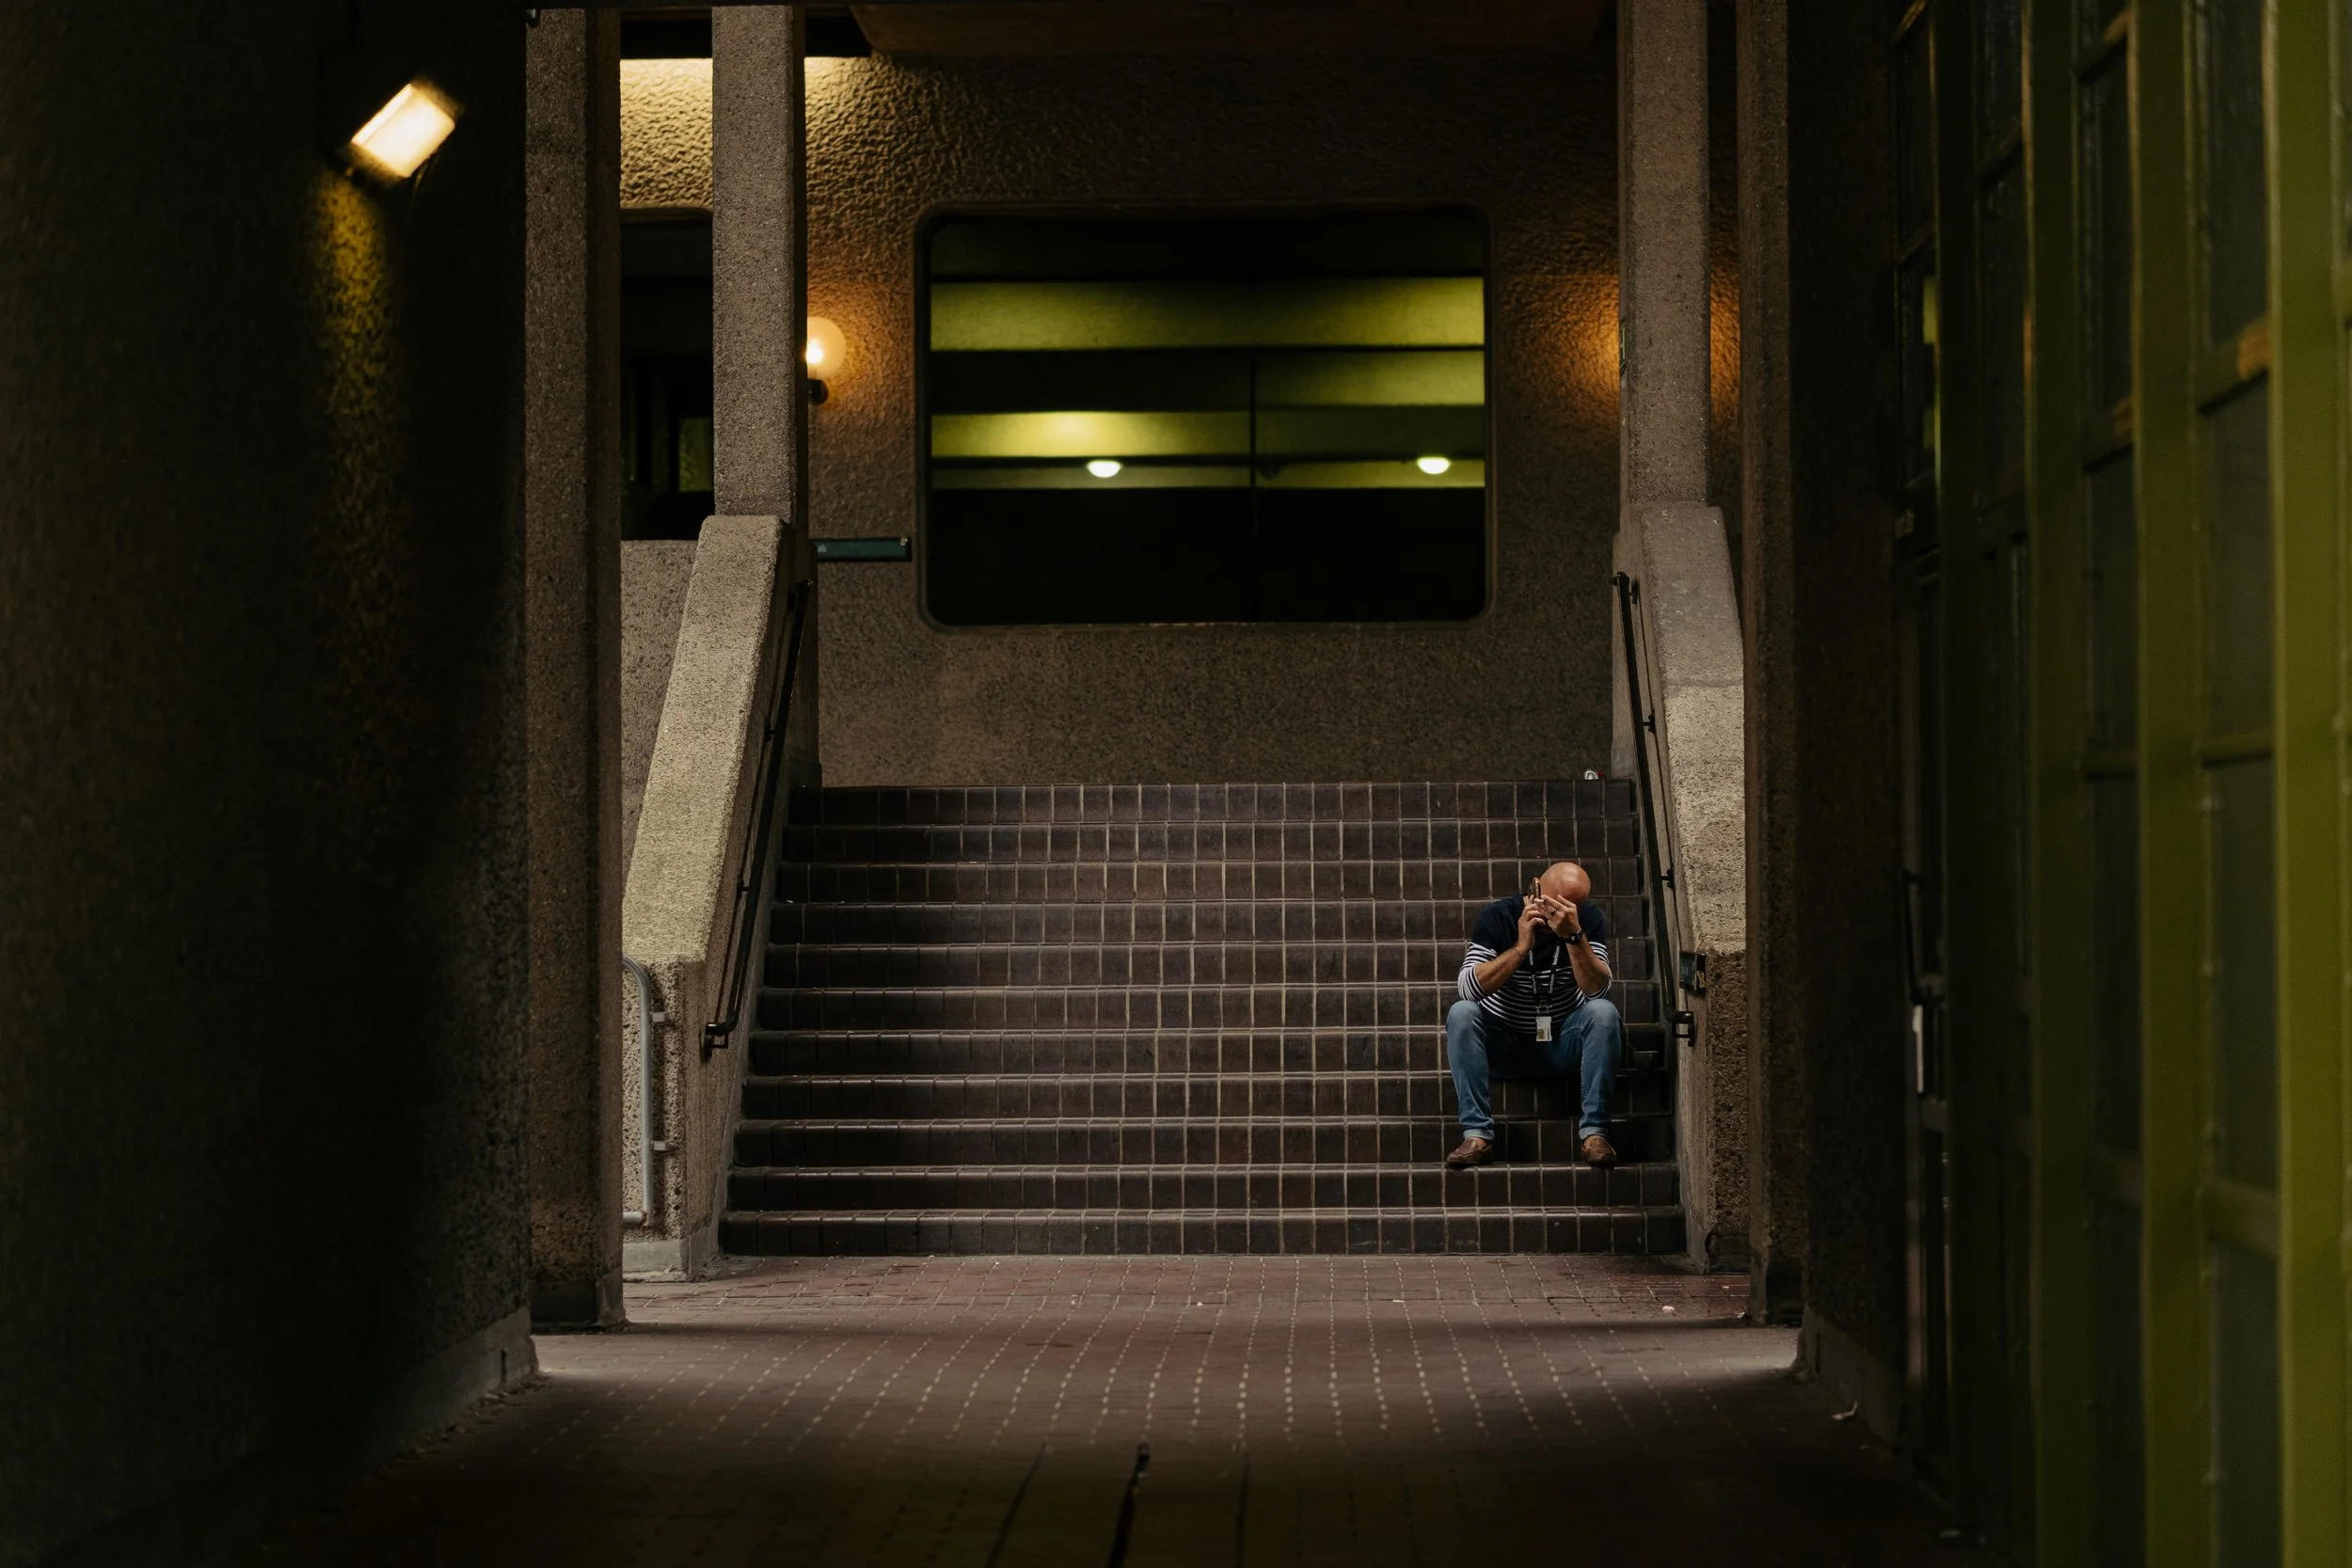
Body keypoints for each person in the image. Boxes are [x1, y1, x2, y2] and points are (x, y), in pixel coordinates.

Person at [1443, 860, 1624, 1169]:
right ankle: (1476, 1134)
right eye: (1555, 903)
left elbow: (1597, 991)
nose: (1563, 912)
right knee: (1461, 1013)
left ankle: (1595, 1133)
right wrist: (1520, 947)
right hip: (1505, 1046)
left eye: (1574, 905)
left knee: (1604, 1013)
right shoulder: (1499, 916)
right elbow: (1468, 989)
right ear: (1536, 887)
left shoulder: (1585, 921)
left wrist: (1573, 936)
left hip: (1562, 1045)